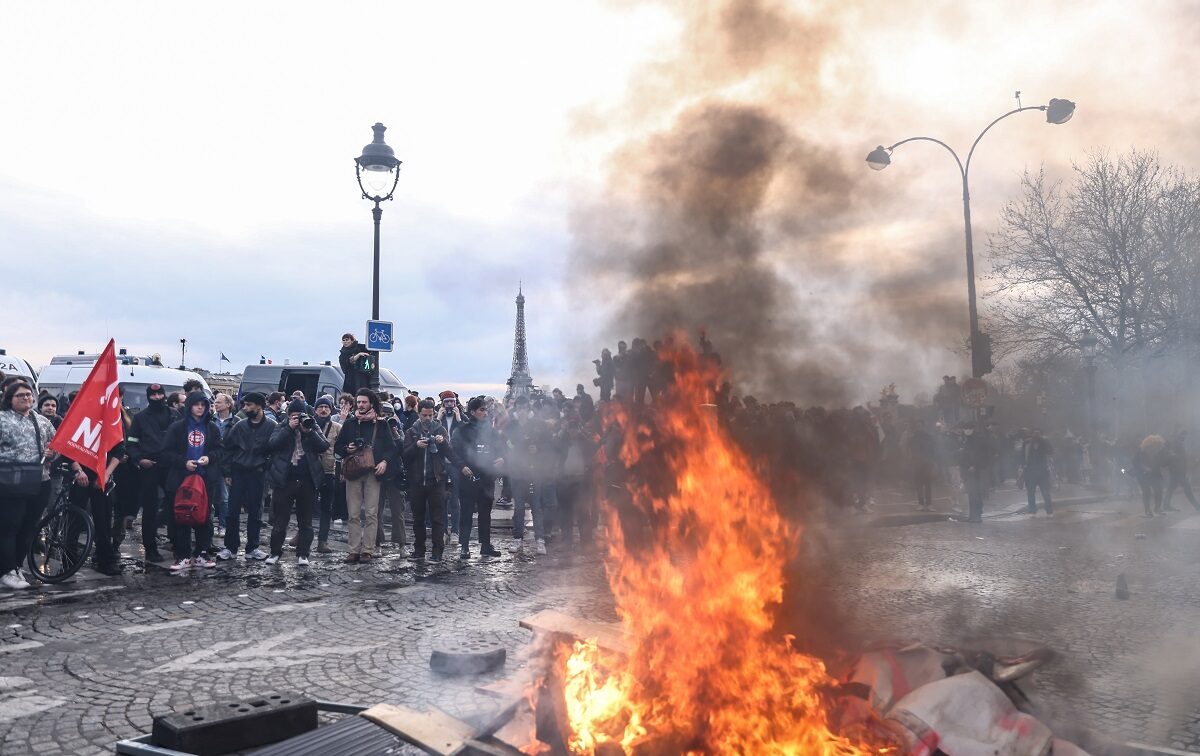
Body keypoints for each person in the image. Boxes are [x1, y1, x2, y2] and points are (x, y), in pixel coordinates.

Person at [0, 381, 56, 589]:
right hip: (10, 482)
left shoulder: (41, 421)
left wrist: (53, 453)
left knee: (28, 526)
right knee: (10, 526)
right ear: (10, 399)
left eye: (28, 395)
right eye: (20, 395)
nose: (26, 398)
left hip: (40, 481)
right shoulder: (3, 420)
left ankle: (16, 566)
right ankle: (5, 571)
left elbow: (56, 445)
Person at [160, 392, 224, 571]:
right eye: (196, 404)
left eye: (203, 404)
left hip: (204, 480)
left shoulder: (212, 428)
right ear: (189, 406)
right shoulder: (177, 427)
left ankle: (202, 552)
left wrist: (209, 458)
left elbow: (220, 451)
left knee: (204, 517)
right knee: (182, 516)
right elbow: (165, 452)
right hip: (181, 479)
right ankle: (183, 555)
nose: (200, 407)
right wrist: (183, 462)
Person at [334, 389, 397, 563]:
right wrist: (348, 449)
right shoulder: (350, 423)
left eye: (364, 402)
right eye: (359, 402)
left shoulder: (381, 424)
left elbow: (392, 448)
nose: (361, 405)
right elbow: (337, 447)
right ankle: (353, 549)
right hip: (354, 473)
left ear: (371, 403)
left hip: (372, 472)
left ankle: (368, 550)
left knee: (371, 513)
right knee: (353, 514)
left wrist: (384, 461)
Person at [263, 399, 328, 565]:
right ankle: (275, 552)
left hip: (308, 480)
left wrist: (309, 431)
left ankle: (303, 554)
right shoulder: (282, 426)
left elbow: (323, 446)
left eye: (300, 415)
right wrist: (289, 428)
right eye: (294, 416)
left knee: (306, 521)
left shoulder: (312, 426)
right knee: (280, 521)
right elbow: (271, 444)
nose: (298, 419)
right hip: (285, 480)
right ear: (289, 415)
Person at [216, 392, 276, 561]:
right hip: (239, 472)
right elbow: (227, 448)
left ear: (259, 406)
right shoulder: (240, 426)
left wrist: (267, 466)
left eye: (249, 405)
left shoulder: (271, 426)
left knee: (256, 512)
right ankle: (230, 547)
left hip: (258, 473)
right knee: (232, 511)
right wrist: (227, 472)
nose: (245, 408)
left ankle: (253, 548)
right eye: (244, 405)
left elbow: (276, 449)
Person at [402, 399, 460, 562]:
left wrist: (442, 443)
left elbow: (449, 452)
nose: (427, 418)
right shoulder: (412, 431)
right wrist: (416, 446)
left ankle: (437, 551)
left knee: (438, 517)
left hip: (436, 479)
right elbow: (405, 456)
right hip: (417, 480)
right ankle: (419, 549)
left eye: (430, 415)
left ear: (434, 414)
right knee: (418, 518)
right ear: (419, 414)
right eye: (424, 415)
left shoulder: (440, 429)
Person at [127, 383, 177, 562]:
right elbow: (131, 442)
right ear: (148, 397)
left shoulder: (174, 415)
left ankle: (176, 542)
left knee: (175, 505)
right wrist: (139, 459)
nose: (157, 398)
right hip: (150, 467)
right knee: (149, 509)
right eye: (153, 395)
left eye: (160, 394)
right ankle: (150, 548)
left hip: (171, 467)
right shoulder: (140, 418)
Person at [453, 396, 505, 558]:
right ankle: (465, 546)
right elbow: (454, 452)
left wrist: (502, 458)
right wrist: (462, 466)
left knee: (485, 514)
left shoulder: (491, 431)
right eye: (482, 410)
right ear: (472, 411)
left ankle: (485, 545)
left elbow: (502, 449)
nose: (485, 412)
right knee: (466, 513)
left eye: (485, 409)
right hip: (468, 477)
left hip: (487, 478)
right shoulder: (461, 430)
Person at [67, 438, 124, 575]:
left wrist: (107, 473)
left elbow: (120, 449)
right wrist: (78, 470)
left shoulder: (112, 419)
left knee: (103, 519)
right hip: (81, 473)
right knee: (75, 519)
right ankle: (68, 559)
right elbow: (67, 444)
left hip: (102, 474)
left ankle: (105, 559)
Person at [311, 396, 341, 554]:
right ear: (315, 410)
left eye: (327, 407)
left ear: (331, 410)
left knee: (326, 508)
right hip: (310, 471)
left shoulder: (337, 427)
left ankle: (323, 541)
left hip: (329, 470)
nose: (323, 410)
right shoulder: (308, 425)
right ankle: (301, 535)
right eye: (320, 407)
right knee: (306, 505)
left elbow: (341, 447)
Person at [437, 391, 465, 539]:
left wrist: (459, 419)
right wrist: (438, 418)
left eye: (452, 402)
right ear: (442, 403)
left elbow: (467, 436)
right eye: (446, 402)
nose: (449, 405)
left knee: (455, 498)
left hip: (455, 463)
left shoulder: (460, 418)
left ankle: (455, 531)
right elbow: (429, 431)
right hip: (440, 463)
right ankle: (443, 531)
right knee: (441, 498)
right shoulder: (438, 418)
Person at [210, 393, 237, 535]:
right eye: (215, 401)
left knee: (224, 497)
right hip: (211, 462)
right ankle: (209, 524)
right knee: (210, 496)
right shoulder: (210, 420)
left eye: (219, 402)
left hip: (226, 463)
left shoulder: (235, 422)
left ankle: (223, 525)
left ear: (228, 404)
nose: (216, 404)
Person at [958, 423, 989, 523]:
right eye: (965, 428)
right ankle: (973, 515)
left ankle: (977, 515)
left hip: (973, 470)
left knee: (974, 493)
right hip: (966, 469)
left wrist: (974, 465)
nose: (967, 430)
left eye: (969, 428)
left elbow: (978, 454)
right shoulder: (966, 439)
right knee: (971, 493)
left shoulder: (976, 440)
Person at [1020, 428, 1054, 515]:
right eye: (1035, 433)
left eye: (1038, 433)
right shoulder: (1026, 443)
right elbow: (1022, 456)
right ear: (1032, 435)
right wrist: (1023, 467)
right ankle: (1032, 510)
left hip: (1043, 471)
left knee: (1046, 492)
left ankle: (1049, 511)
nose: (1036, 435)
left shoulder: (1045, 442)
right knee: (1031, 493)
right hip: (1030, 471)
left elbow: (1051, 452)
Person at [1164, 430, 1199, 511]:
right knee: (1187, 488)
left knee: (1171, 488)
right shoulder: (1175, 444)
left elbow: (1178, 456)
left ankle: (1166, 505)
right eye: (1183, 435)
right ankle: (1197, 506)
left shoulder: (1177, 444)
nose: (1184, 437)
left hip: (1177, 470)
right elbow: (1174, 456)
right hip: (1177, 471)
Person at [1133, 435, 1167, 517]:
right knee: (1146, 491)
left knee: (1159, 491)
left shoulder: (1158, 453)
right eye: (1156, 445)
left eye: (1159, 446)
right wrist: (1144, 468)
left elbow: (1161, 463)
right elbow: (1135, 462)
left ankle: (1157, 508)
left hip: (1154, 475)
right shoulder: (1140, 452)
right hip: (1142, 476)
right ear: (1150, 445)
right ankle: (1147, 510)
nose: (1158, 447)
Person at [908, 421, 936, 511]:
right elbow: (910, 451)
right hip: (917, 464)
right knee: (919, 485)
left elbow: (933, 451)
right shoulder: (912, 438)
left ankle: (929, 504)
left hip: (927, 464)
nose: (919, 428)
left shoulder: (929, 437)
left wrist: (932, 461)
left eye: (921, 426)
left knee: (928, 484)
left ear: (924, 427)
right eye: (918, 426)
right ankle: (920, 503)